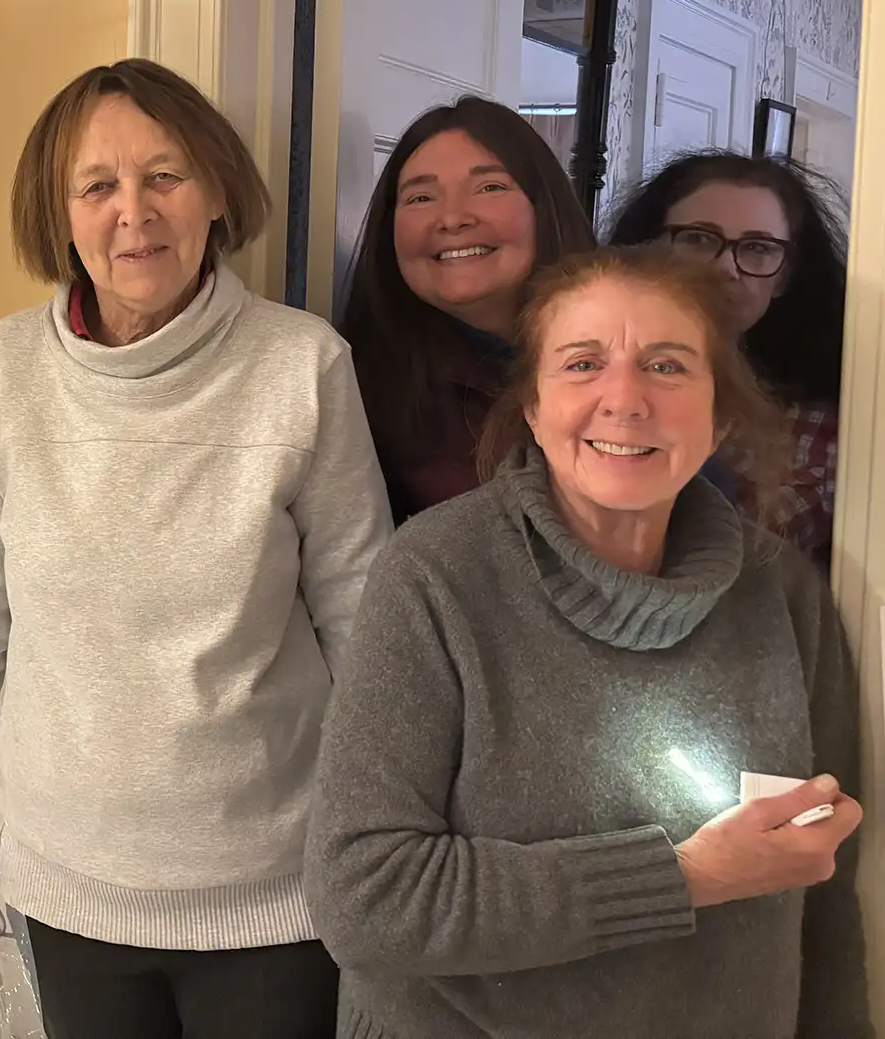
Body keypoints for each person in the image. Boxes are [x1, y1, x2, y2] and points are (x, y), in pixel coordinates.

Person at [0, 58, 392, 1039]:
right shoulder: (7, 372)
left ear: (217, 193)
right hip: (66, 882)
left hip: (272, 893)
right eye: (97, 186)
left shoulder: (304, 367)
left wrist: (377, 845)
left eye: (165, 175)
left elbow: (365, 631)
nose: (132, 211)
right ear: (61, 217)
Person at [305, 246, 867, 1038]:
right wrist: (684, 877)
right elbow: (366, 898)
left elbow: (827, 894)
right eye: (582, 363)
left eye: (667, 367)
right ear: (533, 406)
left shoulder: (783, 596)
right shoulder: (437, 577)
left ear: (721, 418)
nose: (625, 400)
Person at [340, 96, 594, 522]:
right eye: (421, 198)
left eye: (490, 187)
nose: (452, 218)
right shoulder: (356, 389)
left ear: (544, 206)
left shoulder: (630, 355)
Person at [608, 152, 847, 569]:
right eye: (698, 239)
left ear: (784, 275)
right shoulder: (588, 384)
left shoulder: (817, 425)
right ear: (649, 247)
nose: (725, 268)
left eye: (757, 248)